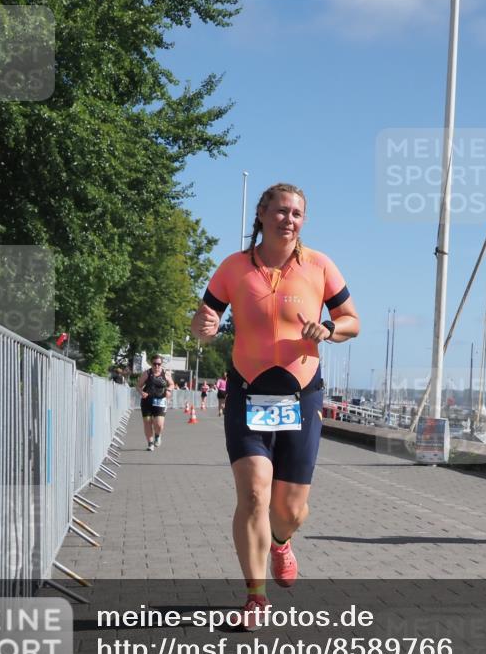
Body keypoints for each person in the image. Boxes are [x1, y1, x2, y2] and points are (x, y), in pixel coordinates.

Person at [191, 182, 360, 628]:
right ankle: (255, 595)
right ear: (262, 215)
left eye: (297, 214)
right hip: (249, 391)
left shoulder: (320, 267)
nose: (289, 219)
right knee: (252, 493)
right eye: (281, 211)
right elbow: (203, 321)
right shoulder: (233, 267)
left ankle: (281, 542)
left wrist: (328, 329)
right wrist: (203, 327)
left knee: (289, 509)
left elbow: (352, 321)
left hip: (300, 394)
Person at [138, 355, 175, 451]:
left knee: (159, 424)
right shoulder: (147, 373)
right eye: (155, 364)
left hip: (160, 401)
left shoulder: (165, 374)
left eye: (159, 364)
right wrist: (141, 392)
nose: (157, 366)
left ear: (161, 364)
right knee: (147, 422)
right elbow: (138, 386)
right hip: (147, 401)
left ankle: (157, 436)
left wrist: (169, 390)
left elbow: (172, 384)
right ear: (151, 364)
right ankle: (150, 443)